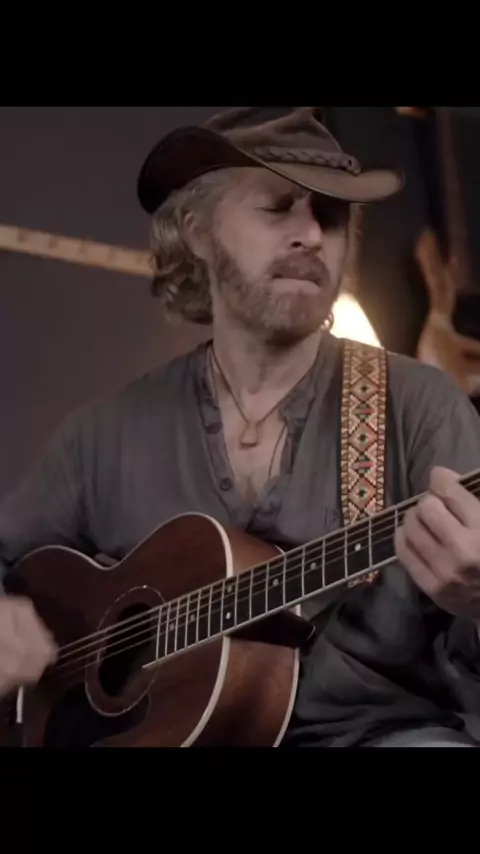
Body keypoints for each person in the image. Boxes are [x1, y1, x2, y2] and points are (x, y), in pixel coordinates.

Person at [1, 106, 480, 747]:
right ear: (198, 233)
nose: (311, 234)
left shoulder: (420, 406)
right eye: (278, 207)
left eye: (331, 216)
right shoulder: (101, 436)